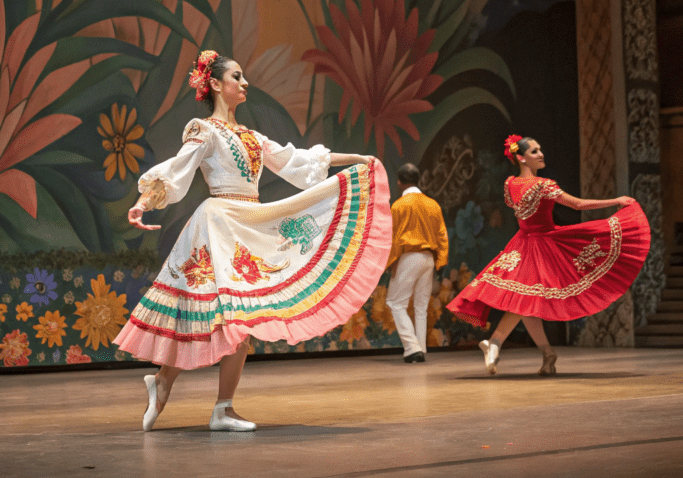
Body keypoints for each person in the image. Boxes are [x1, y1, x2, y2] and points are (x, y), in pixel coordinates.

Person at [114, 50, 392, 431]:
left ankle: (220, 407)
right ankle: (165, 381)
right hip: (217, 226)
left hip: (248, 223)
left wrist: (356, 159)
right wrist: (143, 202)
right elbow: (177, 169)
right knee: (204, 316)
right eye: (237, 77)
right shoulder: (205, 129)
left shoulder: (252, 137)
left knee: (240, 322)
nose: (245, 83)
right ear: (214, 84)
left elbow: (298, 161)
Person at [447, 135, 650, 376]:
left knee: (526, 300)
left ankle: (518, 348)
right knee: (525, 299)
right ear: (521, 158)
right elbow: (577, 205)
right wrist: (615, 200)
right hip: (538, 246)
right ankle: (512, 346)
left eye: (540, 149)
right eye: (534, 151)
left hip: (525, 245)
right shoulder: (543, 185)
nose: (541, 154)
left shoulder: (509, 183)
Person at [385, 162, 449, 363]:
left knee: (395, 302)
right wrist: (440, 260)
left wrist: (391, 262)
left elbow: (393, 237)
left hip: (408, 256)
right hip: (428, 257)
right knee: (421, 306)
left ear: (399, 182)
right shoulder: (433, 204)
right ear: (417, 179)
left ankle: (412, 348)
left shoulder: (398, 205)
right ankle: (420, 348)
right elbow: (442, 236)